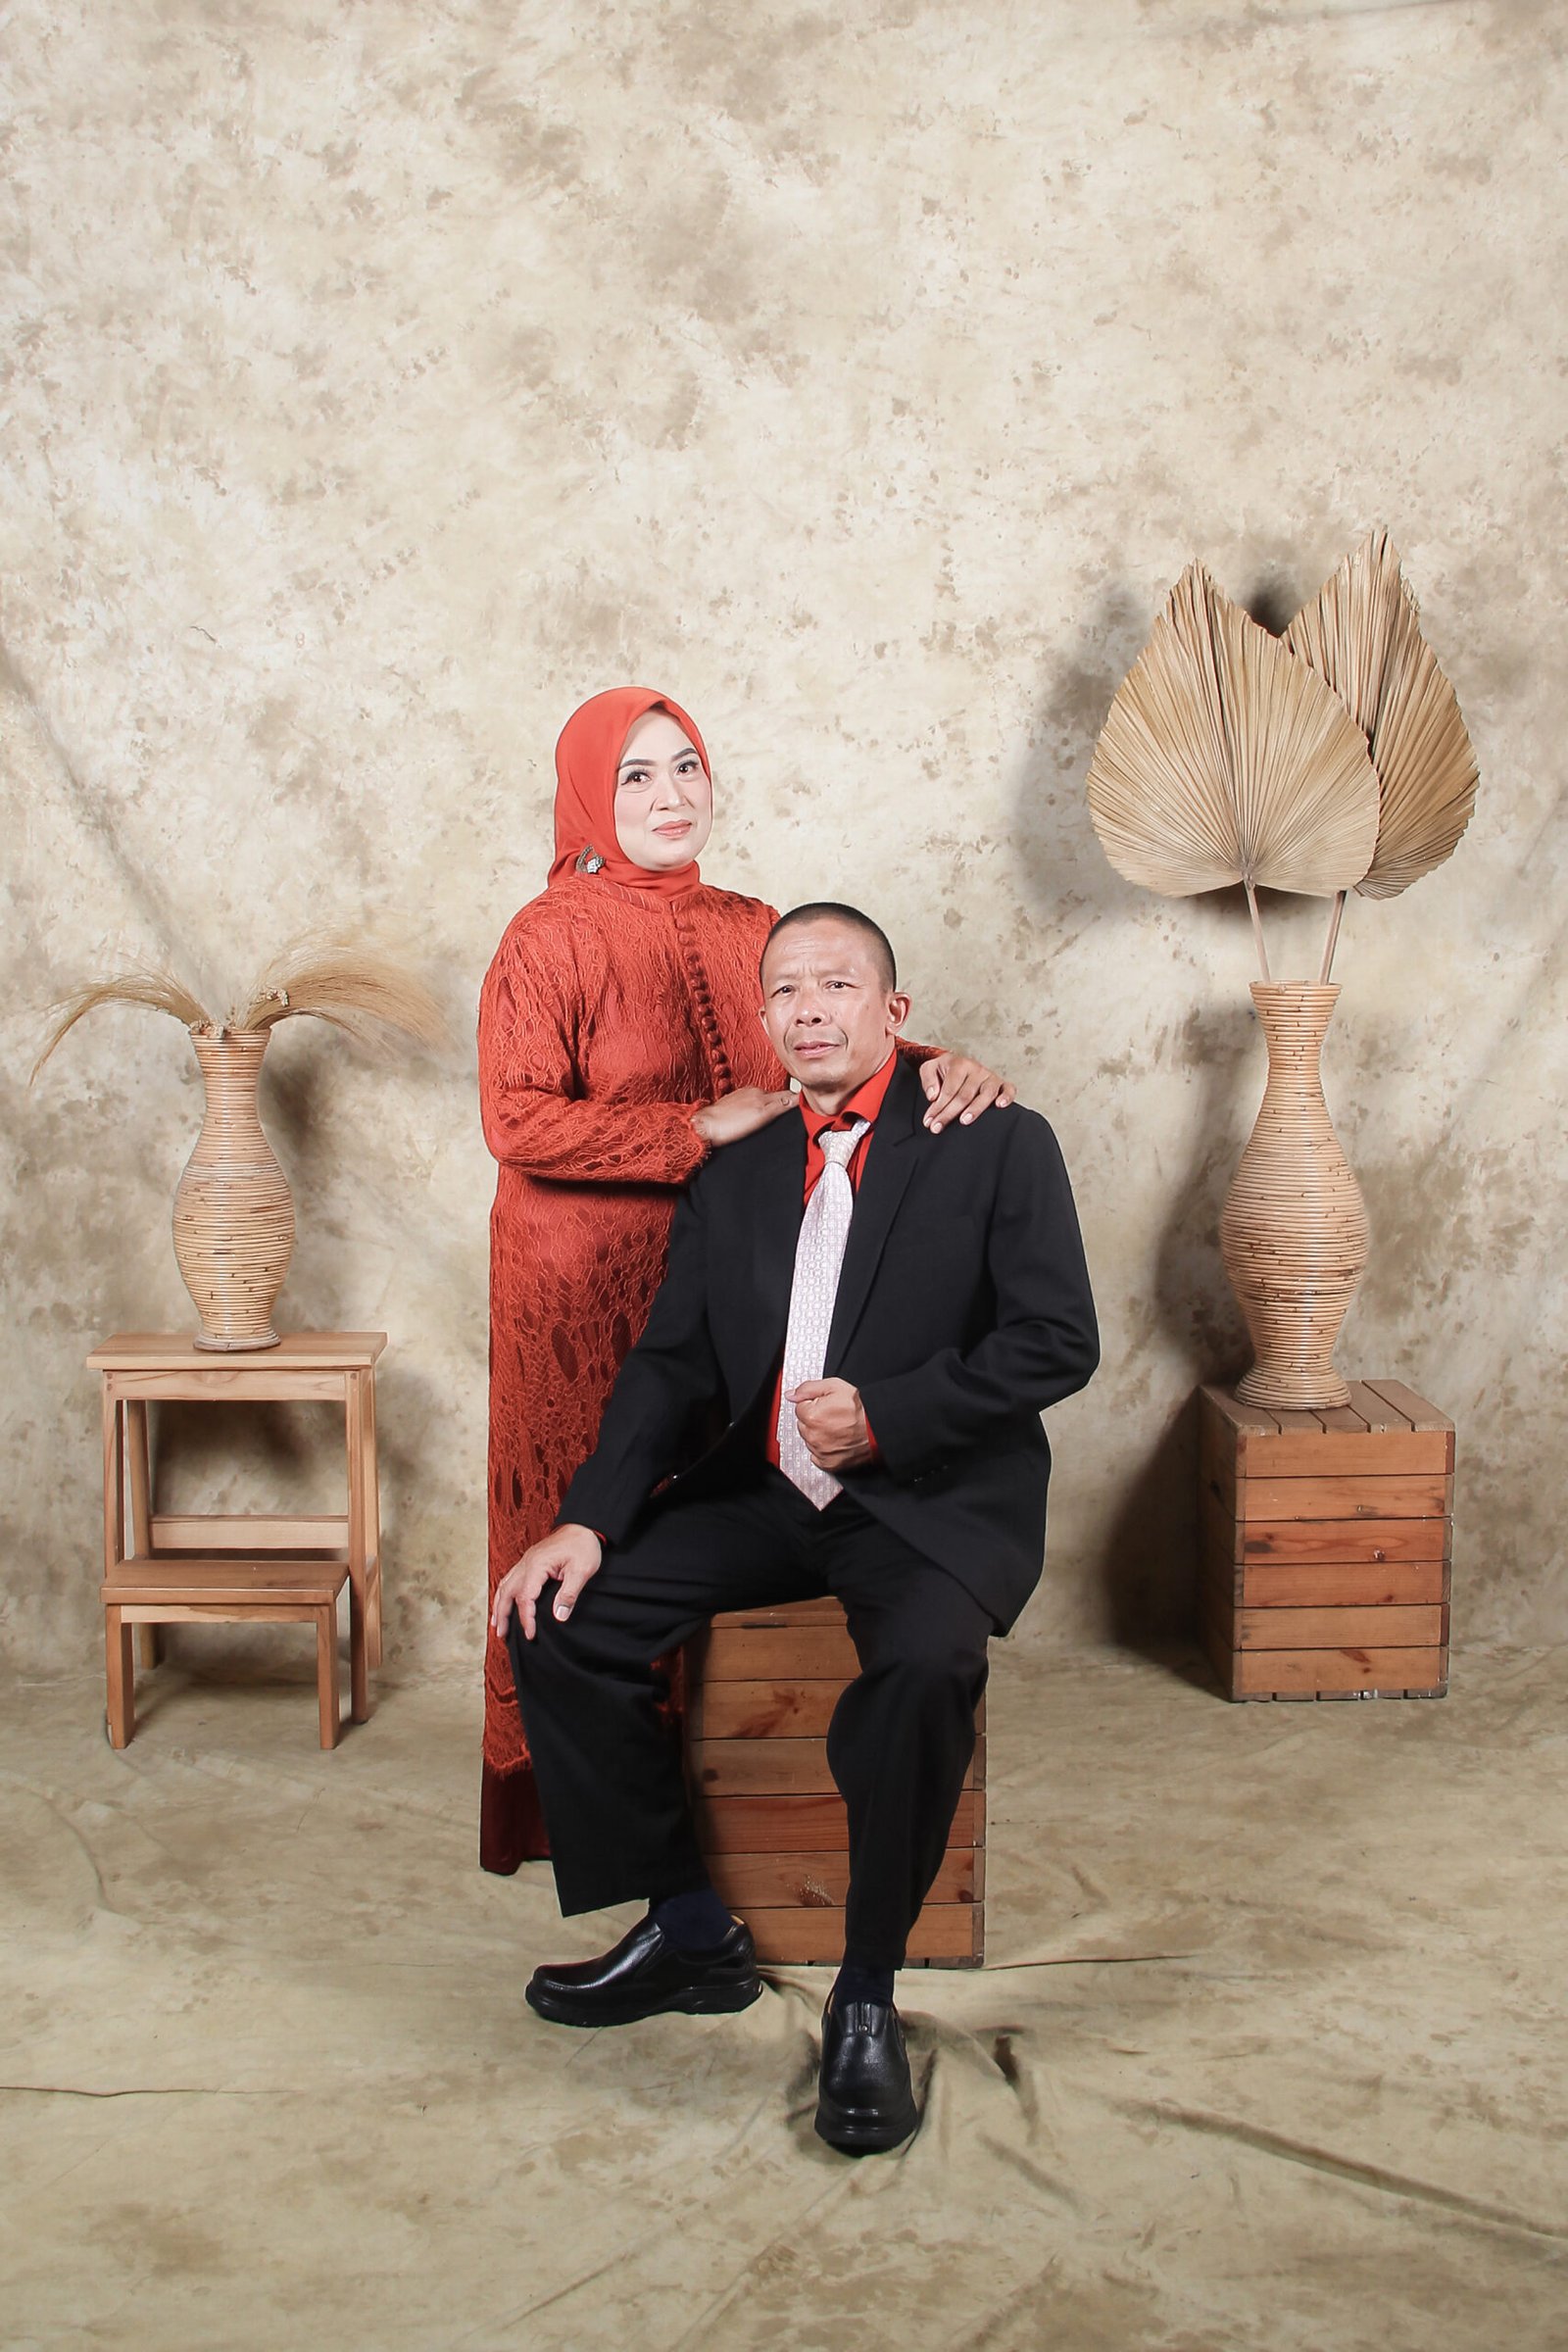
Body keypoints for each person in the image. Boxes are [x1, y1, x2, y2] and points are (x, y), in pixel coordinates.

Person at [492, 903, 1099, 2154]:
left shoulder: (993, 1137)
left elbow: (1057, 1340)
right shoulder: (738, 1167)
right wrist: (587, 1521)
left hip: (918, 1493)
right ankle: (689, 1927)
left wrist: (891, 1417)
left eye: (838, 984)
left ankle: (866, 1991)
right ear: (764, 1016)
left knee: (925, 1667)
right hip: (768, 1492)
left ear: (895, 1011)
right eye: (786, 989)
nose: (809, 1008)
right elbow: (669, 1364)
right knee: (557, 1619)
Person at [477, 692, 1014, 1873]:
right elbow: (512, 1119)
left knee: (715, 1493)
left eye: (686, 767)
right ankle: (597, 1828)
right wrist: (689, 1128)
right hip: (581, 1287)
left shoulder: (751, 922)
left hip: (735, 1269)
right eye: (633, 776)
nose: (669, 796)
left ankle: (715, 1806)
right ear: (589, 796)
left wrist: (945, 1064)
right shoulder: (547, 935)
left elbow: (828, 1040)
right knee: (592, 1517)